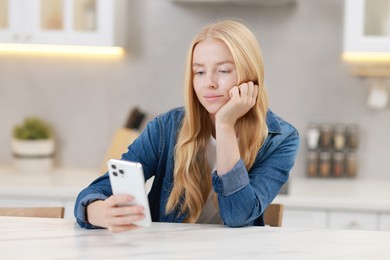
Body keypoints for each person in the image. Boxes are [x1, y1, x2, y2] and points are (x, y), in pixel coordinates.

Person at [74, 19, 299, 233]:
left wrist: (225, 124)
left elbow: (237, 217)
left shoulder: (281, 139)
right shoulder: (165, 128)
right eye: (199, 72)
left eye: (223, 70)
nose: (208, 82)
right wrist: (101, 212)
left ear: (251, 75)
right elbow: (93, 193)